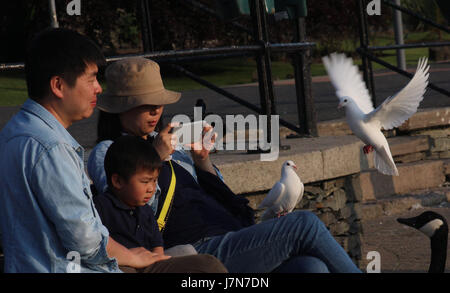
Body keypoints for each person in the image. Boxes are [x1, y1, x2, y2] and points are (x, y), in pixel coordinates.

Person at [88, 57, 362, 273]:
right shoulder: (108, 151)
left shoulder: (171, 142)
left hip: (233, 236)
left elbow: (222, 195)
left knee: (311, 268)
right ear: (119, 108)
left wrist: (202, 160)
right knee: (304, 223)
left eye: (158, 103)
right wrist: (156, 157)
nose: (155, 111)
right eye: (144, 104)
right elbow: (129, 212)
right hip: (196, 250)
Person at [0, 28, 203, 273]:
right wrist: (130, 256)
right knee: (206, 268)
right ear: (58, 85)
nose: (98, 88)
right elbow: (85, 241)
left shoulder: (15, 131)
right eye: (92, 78)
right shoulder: (50, 147)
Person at [93, 135, 227, 273]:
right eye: (145, 182)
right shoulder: (101, 207)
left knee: (206, 263)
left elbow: (157, 245)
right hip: (120, 264)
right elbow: (95, 244)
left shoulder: (145, 210)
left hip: (149, 262)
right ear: (118, 181)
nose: (151, 188)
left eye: (155, 181)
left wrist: (159, 261)